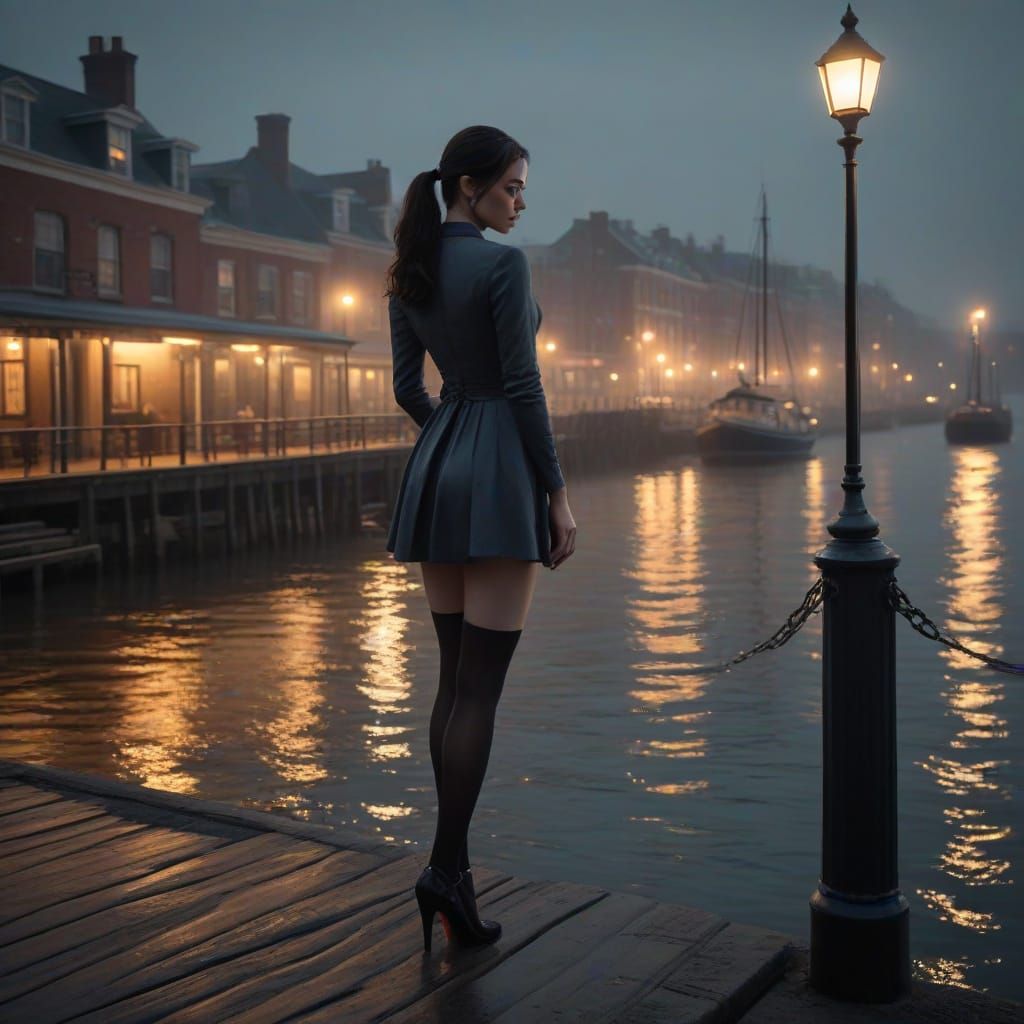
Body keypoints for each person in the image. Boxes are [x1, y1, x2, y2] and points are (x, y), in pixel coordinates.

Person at [384, 125, 577, 953]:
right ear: (470, 187)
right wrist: (557, 495)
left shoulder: (410, 270)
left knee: (451, 682)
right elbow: (524, 386)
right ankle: (443, 870)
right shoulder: (504, 266)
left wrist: (451, 438)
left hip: (438, 471)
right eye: (512, 186)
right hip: (498, 475)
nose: (520, 201)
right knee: (480, 693)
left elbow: (408, 389)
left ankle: (451, 874)